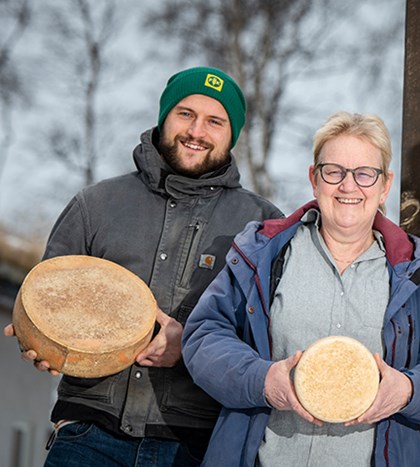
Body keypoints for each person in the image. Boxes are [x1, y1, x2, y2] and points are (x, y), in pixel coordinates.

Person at [3, 66, 283, 466]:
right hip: (88, 434)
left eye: (214, 121)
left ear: (232, 133)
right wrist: (40, 338)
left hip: (195, 445)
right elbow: (46, 299)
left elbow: (272, 342)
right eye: (185, 113)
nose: (196, 131)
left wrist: (190, 347)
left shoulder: (263, 227)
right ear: (164, 116)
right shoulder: (96, 204)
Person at [181, 111, 420, 466]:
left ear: (385, 185)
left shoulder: (419, 273)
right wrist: (262, 380)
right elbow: (204, 336)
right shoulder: (264, 254)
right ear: (314, 178)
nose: (348, 186)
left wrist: (409, 390)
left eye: (364, 174)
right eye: (334, 171)